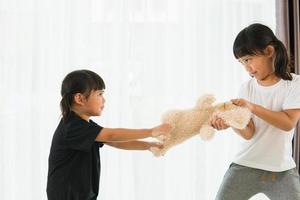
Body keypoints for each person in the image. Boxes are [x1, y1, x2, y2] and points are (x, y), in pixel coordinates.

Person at [46, 69, 171, 200]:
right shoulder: (72, 127)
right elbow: (112, 135)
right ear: (80, 98)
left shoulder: (86, 127)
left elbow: (115, 142)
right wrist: (151, 131)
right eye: (100, 94)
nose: (104, 100)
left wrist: (148, 146)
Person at [212, 23, 300, 200]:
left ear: (269, 51)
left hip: (281, 171)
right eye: (242, 62)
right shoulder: (246, 88)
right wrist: (231, 122)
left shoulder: (294, 84)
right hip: (245, 165)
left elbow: (287, 123)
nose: (246, 67)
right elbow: (249, 133)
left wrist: (252, 107)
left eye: (248, 59)